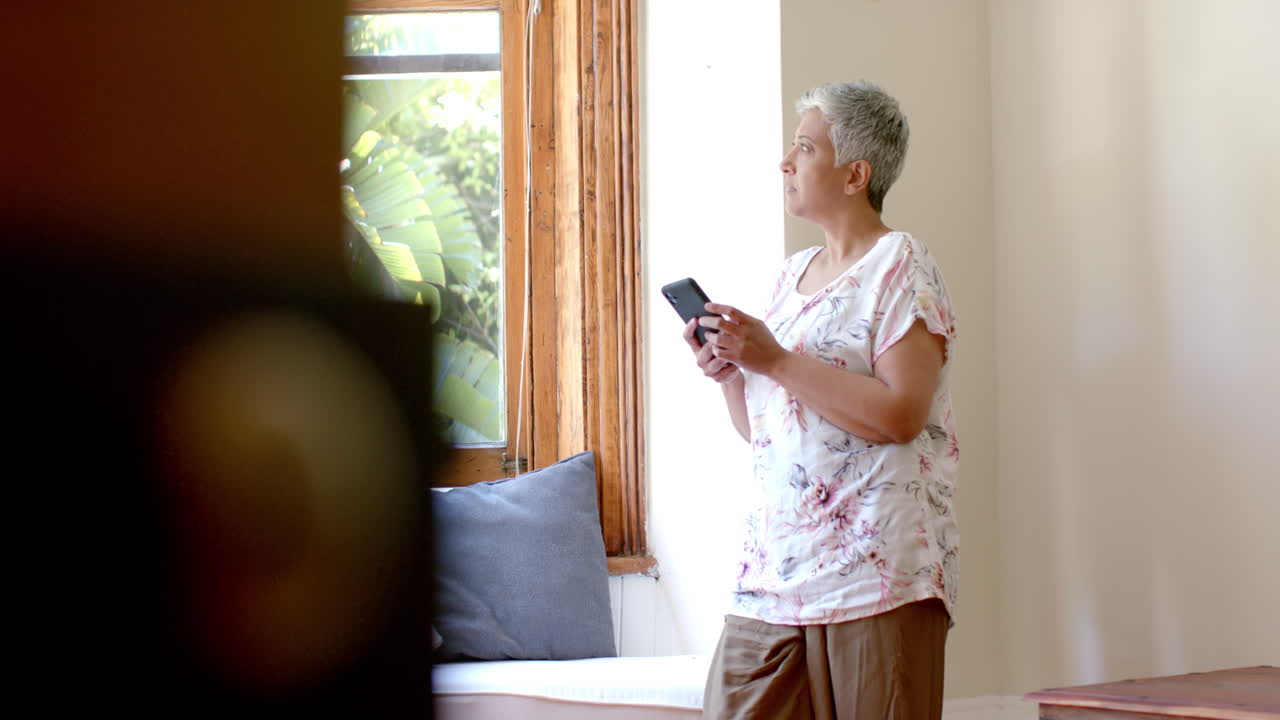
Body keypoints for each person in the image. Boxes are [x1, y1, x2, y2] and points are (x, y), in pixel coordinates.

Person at [686, 80, 960, 720]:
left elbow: (902, 415)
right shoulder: (790, 277)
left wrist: (775, 360)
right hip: (772, 573)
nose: (786, 162)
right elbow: (766, 432)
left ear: (855, 175)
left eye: (805, 148)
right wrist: (733, 375)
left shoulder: (901, 262)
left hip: (876, 571)